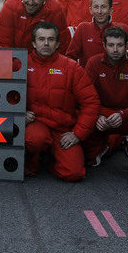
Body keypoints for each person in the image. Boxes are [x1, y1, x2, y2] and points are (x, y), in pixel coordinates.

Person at [24, 22, 100, 182]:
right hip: (35, 124)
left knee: (74, 173)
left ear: (58, 43)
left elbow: (91, 103)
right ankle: (33, 161)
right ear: (33, 43)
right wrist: (19, 113)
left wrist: (77, 134)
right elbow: (8, 95)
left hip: (63, 129)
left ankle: (51, 159)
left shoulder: (72, 68)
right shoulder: (21, 64)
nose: (46, 43)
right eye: (41, 39)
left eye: (51, 39)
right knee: (35, 139)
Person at [82, 26, 128, 171]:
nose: (115, 50)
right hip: (104, 114)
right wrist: (97, 115)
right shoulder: (93, 62)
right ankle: (107, 144)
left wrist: (124, 114)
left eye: (120, 45)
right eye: (111, 45)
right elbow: (85, 98)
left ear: (127, 46)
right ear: (104, 46)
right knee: (81, 115)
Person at [0, 0, 68, 51]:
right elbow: (2, 42)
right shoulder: (10, 6)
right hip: (15, 56)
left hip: (42, 59)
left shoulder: (55, 10)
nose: (31, 2)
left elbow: (62, 44)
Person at [65, 0, 128, 66]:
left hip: (117, 76)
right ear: (90, 10)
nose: (99, 11)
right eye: (96, 7)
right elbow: (70, 58)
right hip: (88, 76)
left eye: (103, 7)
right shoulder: (83, 28)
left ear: (111, 10)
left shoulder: (123, 28)